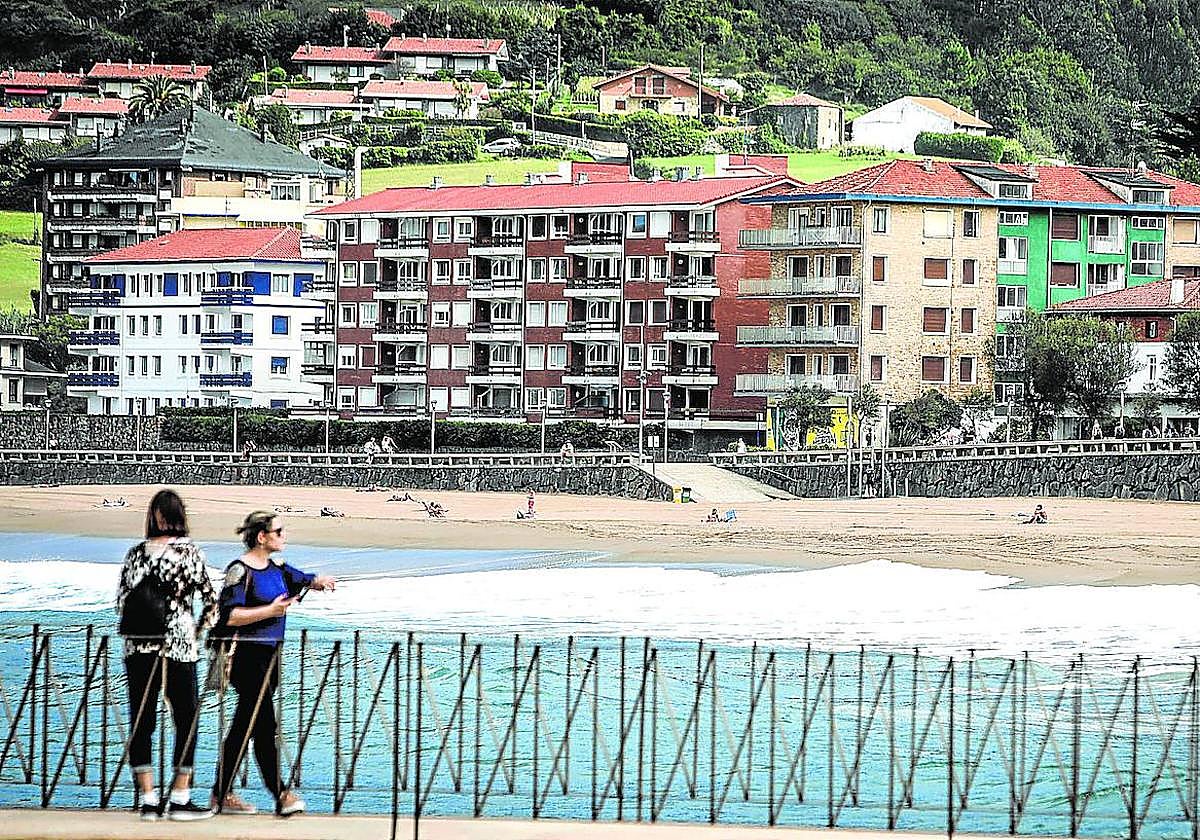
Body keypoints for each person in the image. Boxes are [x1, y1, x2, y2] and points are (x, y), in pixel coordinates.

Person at [210, 512, 336, 817]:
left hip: (271, 657)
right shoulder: (239, 571)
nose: (284, 535)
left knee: (245, 726)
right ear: (261, 537)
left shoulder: (277, 567)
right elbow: (228, 616)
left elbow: (302, 579)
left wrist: (319, 583)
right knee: (265, 726)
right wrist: (269, 611)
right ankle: (281, 794)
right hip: (246, 658)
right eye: (278, 531)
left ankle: (221, 794)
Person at [117, 489, 218, 821]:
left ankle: (148, 799)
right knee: (186, 719)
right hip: (179, 646)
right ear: (179, 516)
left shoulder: (135, 554)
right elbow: (212, 602)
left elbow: (121, 602)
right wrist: (197, 631)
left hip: (138, 645)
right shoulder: (189, 553)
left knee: (141, 720)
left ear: (154, 517)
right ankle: (180, 797)